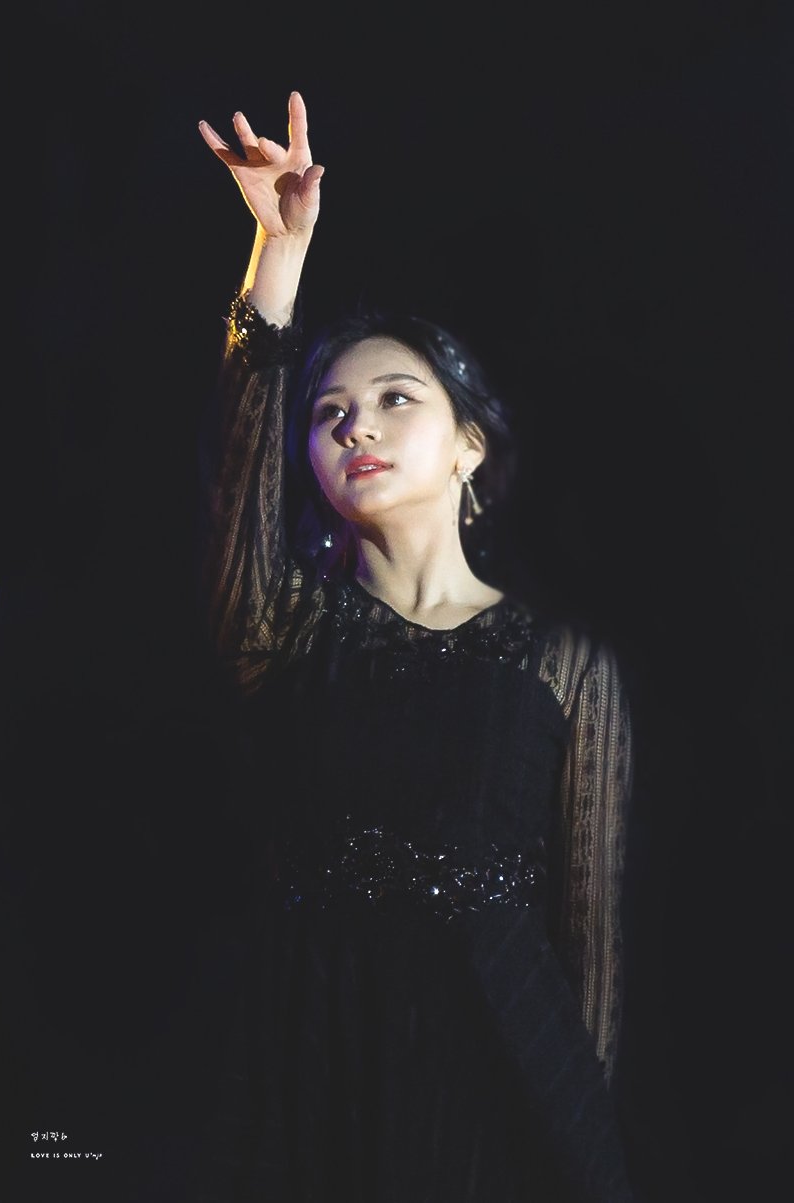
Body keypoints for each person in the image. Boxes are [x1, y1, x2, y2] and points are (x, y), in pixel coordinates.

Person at [193, 90, 636, 1203]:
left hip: (498, 1094)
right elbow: (241, 457)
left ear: (467, 446)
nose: (358, 425)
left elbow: (588, 956)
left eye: (396, 398)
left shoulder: (564, 665)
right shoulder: (285, 626)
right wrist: (279, 253)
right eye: (330, 413)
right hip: (314, 1082)